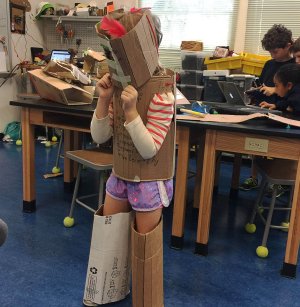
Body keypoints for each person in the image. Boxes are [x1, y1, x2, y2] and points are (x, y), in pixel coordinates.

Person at [83, 9, 174, 307]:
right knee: (110, 235)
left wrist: (133, 111)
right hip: (120, 175)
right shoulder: (120, 88)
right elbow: (99, 137)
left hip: (148, 181)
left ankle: (146, 300)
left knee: (144, 246)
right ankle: (106, 292)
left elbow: (149, 150)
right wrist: (105, 99)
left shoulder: (162, 93)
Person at [240, 24, 294, 191]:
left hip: (286, 113)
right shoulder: (270, 64)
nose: (272, 55)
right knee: (254, 140)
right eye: (270, 52)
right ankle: (254, 176)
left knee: (281, 145)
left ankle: (280, 182)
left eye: (275, 51)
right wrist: (254, 93)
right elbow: (262, 86)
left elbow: (292, 95)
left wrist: (275, 91)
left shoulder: (294, 67)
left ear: (288, 46)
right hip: (266, 108)